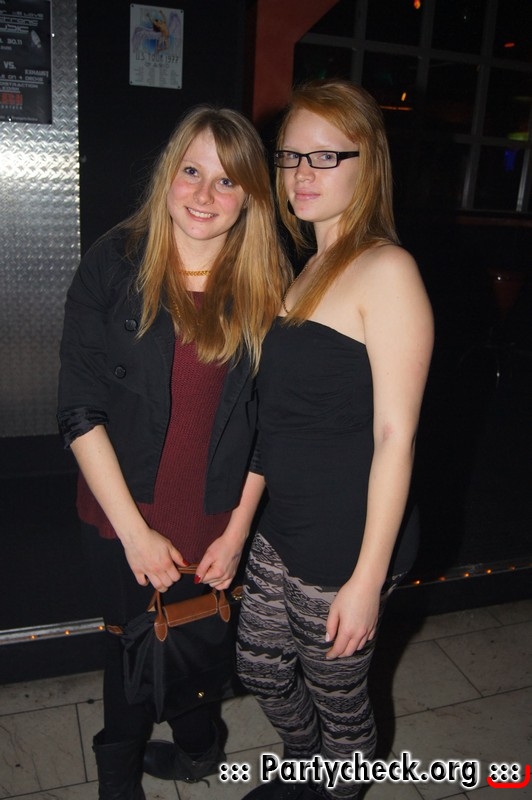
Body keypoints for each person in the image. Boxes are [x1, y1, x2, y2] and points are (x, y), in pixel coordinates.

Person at [57, 105, 290, 799]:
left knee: (195, 640)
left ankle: (197, 746)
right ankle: (118, 781)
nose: (204, 194)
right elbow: (78, 409)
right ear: (167, 174)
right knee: (126, 648)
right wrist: (135, 533)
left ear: (250, 197)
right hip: (119, 512)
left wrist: (238, 531)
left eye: (227, 181)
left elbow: (273, 423)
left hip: (215, 516)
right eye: (192, 171)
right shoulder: (114, 261)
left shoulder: (269, 283)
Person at [235, 79, 434, 800]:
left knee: (340, 708)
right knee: (260, 667)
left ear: (366, 163)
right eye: (291, 156)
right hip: (284, 523)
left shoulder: (386, 269)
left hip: (345, 540)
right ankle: (303, 768)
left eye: (326, 156)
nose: (302, 173)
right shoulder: (307, 269)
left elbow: (396, 436)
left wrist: (367, 581)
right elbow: (280, 418)